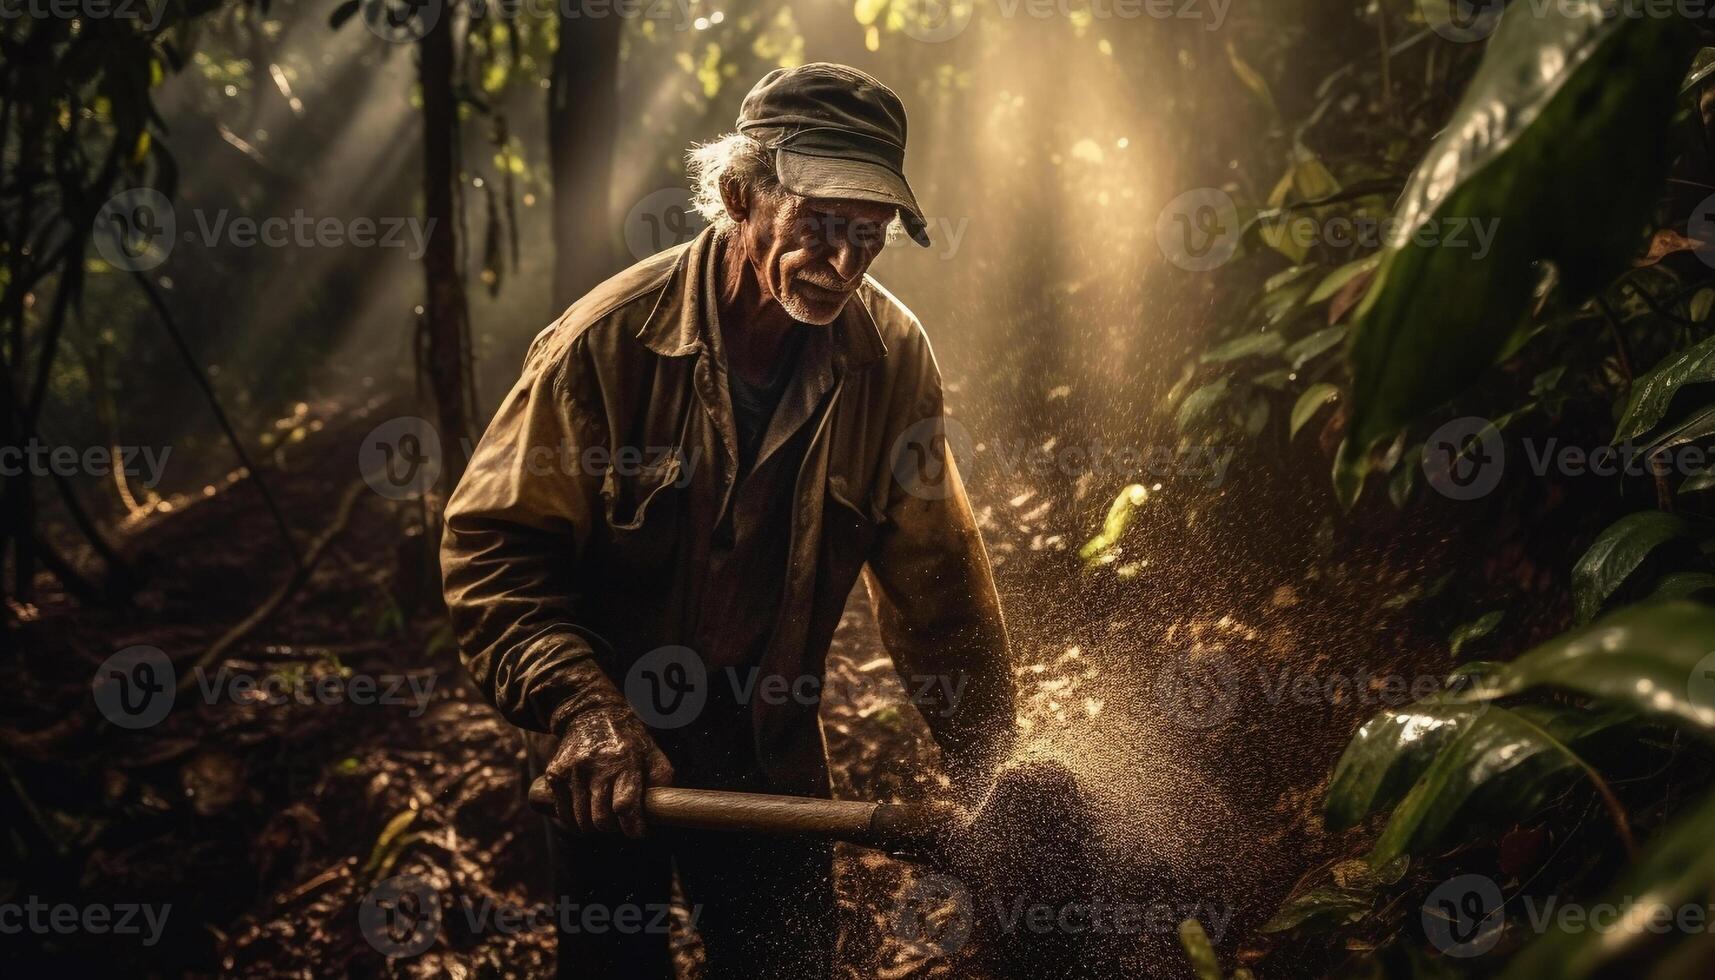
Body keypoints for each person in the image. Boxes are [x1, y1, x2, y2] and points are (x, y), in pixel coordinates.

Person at [440, 62, 1016, 980]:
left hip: (767, 750)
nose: (842, 264)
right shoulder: (605, 344)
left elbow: (938, 589)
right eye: (819, 228)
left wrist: (996, 774)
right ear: (739, 194)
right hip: (603, 759)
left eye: (867, 237)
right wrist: (583, 709)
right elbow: (495, 555)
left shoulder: (892, 360)